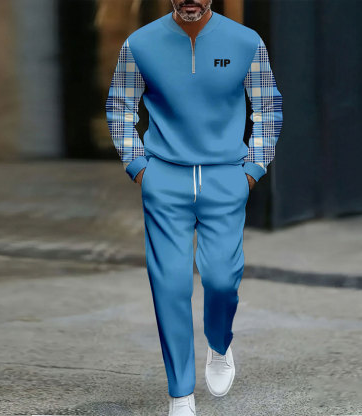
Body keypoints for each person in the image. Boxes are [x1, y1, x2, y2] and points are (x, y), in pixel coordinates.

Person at [106, 1, 283, 414]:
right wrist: (139, 167)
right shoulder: (140, 43)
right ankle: (180, 394)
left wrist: (253, 169)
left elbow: (268, 107)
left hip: (226, 178)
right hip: (164, 180)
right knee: (169, 285)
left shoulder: (245, 42)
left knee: (221, 278)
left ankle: (219, 344)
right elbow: (119, 106)